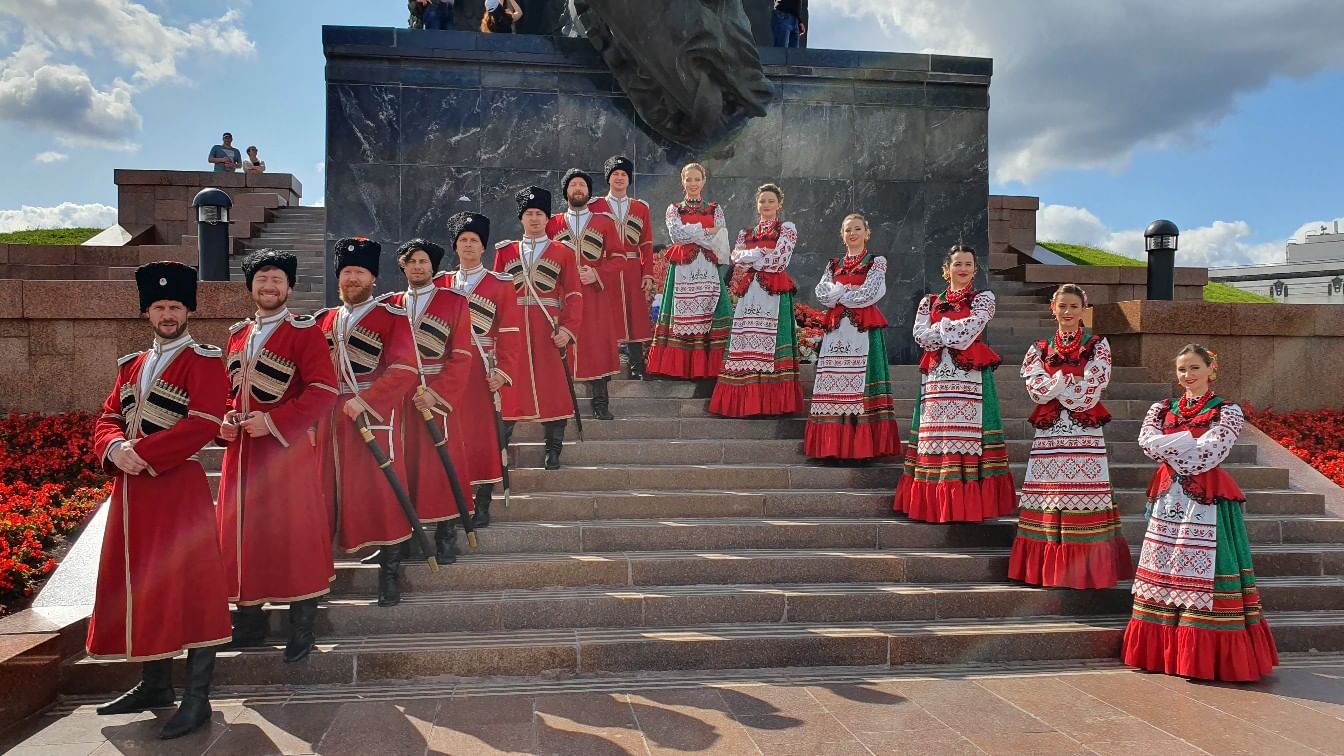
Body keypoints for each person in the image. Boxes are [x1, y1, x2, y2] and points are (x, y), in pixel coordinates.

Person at [90, 261, 232, 740]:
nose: (168, 314)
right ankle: (154, 684)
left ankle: (198, 697)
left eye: (175, 306)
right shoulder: (131, 365)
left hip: (176, 490)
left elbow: (205, 422)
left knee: (190, 586)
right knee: (144, 585)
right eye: (159, 307)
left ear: (188, 309)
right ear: (147, 312)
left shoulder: (205, 360)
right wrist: (114, 447)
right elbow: (108, 416)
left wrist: (141, 453)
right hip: (131, 495)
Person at [1124, 344, 1279, 681]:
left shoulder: (1227, 411)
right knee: (1165, 569)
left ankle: (1204, 655)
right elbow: (1147, 444)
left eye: (1195, 368)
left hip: (1206, 498)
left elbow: (1209, 455)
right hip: (1168, 495)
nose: (1188, 376)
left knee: (1207, 570)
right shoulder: (1161, 408)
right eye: (1182, 370)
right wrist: (1183, 445)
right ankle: (1164, 652)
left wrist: (1172, 446)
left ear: (1212, 370)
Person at [217, 250, 339, 663]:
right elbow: (229, 392)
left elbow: (324, 391)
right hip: (243, 454)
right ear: (250, 286)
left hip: (285, 453)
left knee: (294, 536)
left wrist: (271, 422)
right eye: (262, 279)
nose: (269, 287)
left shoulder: (304, 332)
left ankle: (301, 626)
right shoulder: (237, 335)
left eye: (277, 280)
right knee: (243, 535)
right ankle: (249, 622)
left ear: (289, 287)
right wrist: (227, 417)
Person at [314, 238, 422, 607]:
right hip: (330, 420)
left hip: (373, 416)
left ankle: (390, 574)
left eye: (359, 272)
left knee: (383, 492)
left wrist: (367, 400)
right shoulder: (323, 320)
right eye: (346, 272)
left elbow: (406, 368)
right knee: (327, 493)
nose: (352, 278)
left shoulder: (391, 317)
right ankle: (318, 579)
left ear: (372, 278)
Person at [1007, 284, 1132, 589]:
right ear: (1052, 308)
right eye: (1062, 306)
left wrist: (1057, 382)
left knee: (1082, 493)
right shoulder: (1038, 347)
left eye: (1073, 306)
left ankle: (1085, 570)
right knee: (1051, 492)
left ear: (1083, 310)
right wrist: (1070, 379)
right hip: (1050, 433)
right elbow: (1036, 390)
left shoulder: (1098, 344)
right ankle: (1048, 568)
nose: (1067, 312)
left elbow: (1094, 388)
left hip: (1083, 430)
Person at [894, 245, 1016, 522]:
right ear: (946, 269)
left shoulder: (983, 298)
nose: (963, 269)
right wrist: (947, 329)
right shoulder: (930, 301)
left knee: (967, 436)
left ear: (975, 270)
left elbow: (970, 333)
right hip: (938, 375)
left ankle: (968, 504)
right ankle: (935, 504)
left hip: (970, 374)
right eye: (958, 264)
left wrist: (940, 328)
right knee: (937, 435)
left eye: (969, 264)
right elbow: (920, 336)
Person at [384, 238, 475, 565]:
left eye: (423, 261)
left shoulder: (453, 302)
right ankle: (404, 537)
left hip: (435, 397)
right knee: (402, 467)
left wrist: (437, 393)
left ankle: (445, 534)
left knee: (440, 467)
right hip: (398, 401)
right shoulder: (389, 305)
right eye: (412, 262)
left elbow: (462, 355)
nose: (418, 267)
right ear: (403, 266)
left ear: (433, 266)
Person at [435, 211, 520, 528]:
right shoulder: (440, 284)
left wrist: (504, 371)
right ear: (455, 246)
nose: (468, 245)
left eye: (474, 241)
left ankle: (482, 501)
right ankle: (455, 500)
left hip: (483, 370)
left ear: (482, 247)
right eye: (463, 241)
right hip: (447, 373)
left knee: (483, 438)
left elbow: (510, 332)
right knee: (451, 436)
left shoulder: (500, 283)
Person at [492, 186, 584, 469]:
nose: (534, 219)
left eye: (539, 214)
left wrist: (567, 331)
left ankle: (553, 448)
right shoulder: (506, 252)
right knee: (509, 386)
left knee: (553, 387)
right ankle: (499, 448)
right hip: (513, 330)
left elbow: (573, 295)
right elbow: (496, 295)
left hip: (548, 329)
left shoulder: (563, 252)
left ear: (547, 219)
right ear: (521, 218)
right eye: (529, 214)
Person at [802, 213, 900, 461]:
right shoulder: (833, 264)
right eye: (848, 230)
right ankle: (831, 447)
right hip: (836, 331)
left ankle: (861, 448)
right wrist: (847, 291)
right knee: (834, 385)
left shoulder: (876, 262)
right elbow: (822, 293)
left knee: (860, 386)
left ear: (867, 233)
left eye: (857, 229)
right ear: (842, 235)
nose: (852, 233)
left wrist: (840, 292)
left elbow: (870, 293)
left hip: (862, 330)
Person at [710, 183, 803, 418]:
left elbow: (780, 259)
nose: (766, 205)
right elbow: (737, 257)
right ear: (757, 204)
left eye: (771, 201)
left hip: (773, 291)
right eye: (763, 201)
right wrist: (761, 253)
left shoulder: (786, 228)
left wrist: (754, 256)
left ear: (779, 204)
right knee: (747, 343)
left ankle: (773, 403)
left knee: (772, 344)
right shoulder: (747, 233)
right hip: (750, 292)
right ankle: (744, 402)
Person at [548, 168, 623, 419]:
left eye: (582, 185)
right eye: (573, 185)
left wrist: (597, 273)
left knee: (596, 346)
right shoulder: (552, 224)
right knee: (563, 345)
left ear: (589, 191)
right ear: (566, 191)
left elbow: (619, 258)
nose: (578, 189)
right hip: (562, 296)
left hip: (594, 296)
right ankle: (562, 401)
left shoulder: (604, 222)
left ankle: (601, 402)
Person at [646, 162, 732, 380]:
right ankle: (679, 368)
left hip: (708, 269)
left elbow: (719, 236)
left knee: (708, 311)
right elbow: (677, 235)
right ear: (682, 181)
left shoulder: (715, 208)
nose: (693, 183)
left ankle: (709, 368)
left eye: (697, 179)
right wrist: (705, 231)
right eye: (688, 179)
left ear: (704, 181)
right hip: (684, 268)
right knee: (680, 315)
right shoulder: (674, 208)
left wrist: (694, 232)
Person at [588, 155, 656, 379]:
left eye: (623, 174)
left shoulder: (640, 207)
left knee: (634, 314)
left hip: (632, 267)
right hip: (605, 266)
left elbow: (646, 244)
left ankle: (637, 366)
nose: (619, 178)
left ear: (629, 179)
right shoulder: (594, 206)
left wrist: (648, 273)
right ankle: (605, 367)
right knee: (606, 314)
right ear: (608, 178)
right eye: (615, 174)